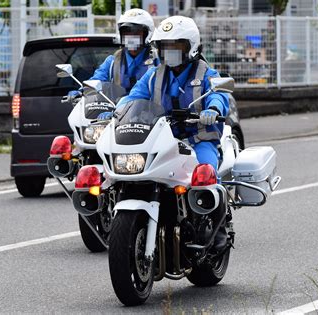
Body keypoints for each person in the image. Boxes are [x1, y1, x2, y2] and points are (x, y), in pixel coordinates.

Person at [112, 16, 230, 250]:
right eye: (165, 47)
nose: (170, 52)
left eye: (176, 46)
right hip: (164, 141)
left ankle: (218, 230)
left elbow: (219, 94)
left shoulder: (206, 73)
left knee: (206, 174)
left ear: (191, 47)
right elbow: (134, 96)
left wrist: (213, 109)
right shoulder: (154, 75)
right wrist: (117, 109)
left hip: (198, 141)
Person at [67, 8, 157, 116]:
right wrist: (82, 91)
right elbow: (97, 80)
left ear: (147, 34)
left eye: (136, 32)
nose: (131, 37)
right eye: (126, 32)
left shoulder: (156, 61)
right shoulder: (113, 61)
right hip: (116, 118)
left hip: (148, 119)